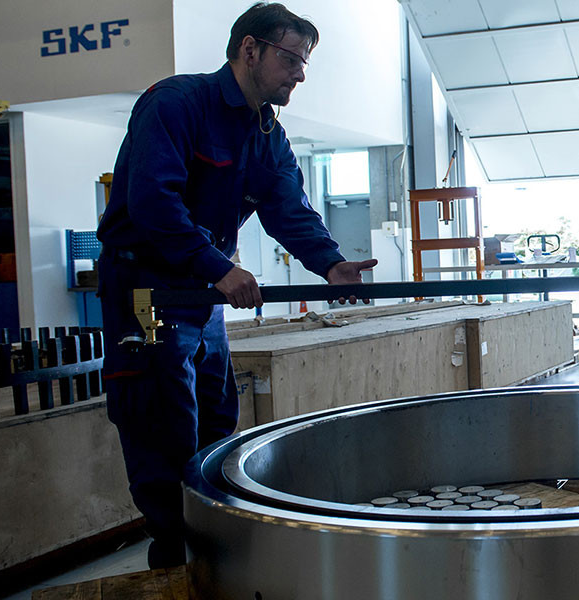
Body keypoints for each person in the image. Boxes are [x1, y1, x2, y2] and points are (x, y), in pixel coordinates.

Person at [96, 3, 376, 568]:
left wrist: (330, 264)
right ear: (250, 49)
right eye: (292, 59)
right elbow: (153, 202)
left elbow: (287, 207)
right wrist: (218, 267)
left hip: (202, 296)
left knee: (216, 418)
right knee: (164, 426)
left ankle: (214, 550)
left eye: (305, 64)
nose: (300, 75)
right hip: (149, 291)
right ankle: (176, 560)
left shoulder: (266, 132)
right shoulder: (177, 104)